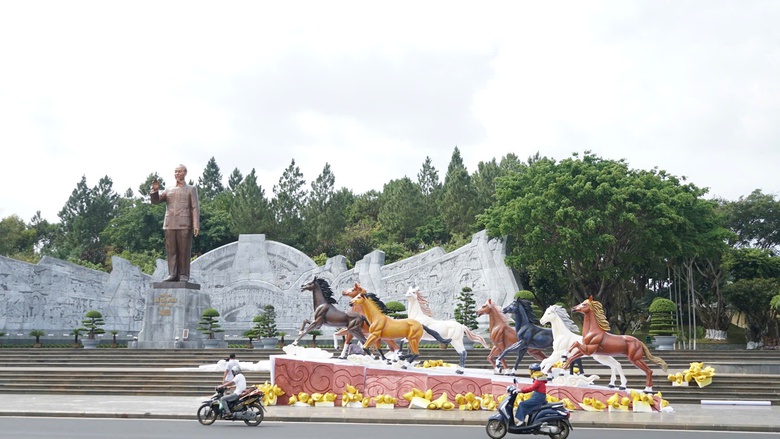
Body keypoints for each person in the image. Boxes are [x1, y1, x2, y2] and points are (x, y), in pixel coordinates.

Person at [150, 164, 200, 282]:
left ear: (185, 173)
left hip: (184, 223)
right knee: (171, 251)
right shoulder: (169, 190)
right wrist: (155, 191)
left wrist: (196, 224)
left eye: (179, 172)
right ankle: (172, 274)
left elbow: (195, 207)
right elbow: (156, 201)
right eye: (175, 172)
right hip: (169, 224)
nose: (177, 174)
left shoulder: (191, 189)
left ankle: (183, 275)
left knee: (184, 251)